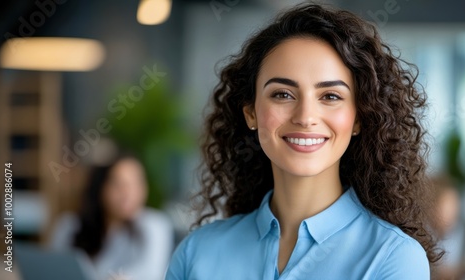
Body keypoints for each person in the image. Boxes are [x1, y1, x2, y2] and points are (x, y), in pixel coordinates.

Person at [166, 4, 442, 279]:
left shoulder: (393, 257)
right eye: (283, 94)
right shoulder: (197, 252)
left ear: (358, 117)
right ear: (251, 112)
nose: (306, 117)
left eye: (331, 96)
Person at [50, 154, 174, 280]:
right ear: (101, 187)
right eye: (118, 184)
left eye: (136, 183)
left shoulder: (154, 225)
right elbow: (54, 270)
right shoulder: (71, 225)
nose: (127, 192)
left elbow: (151, 273)